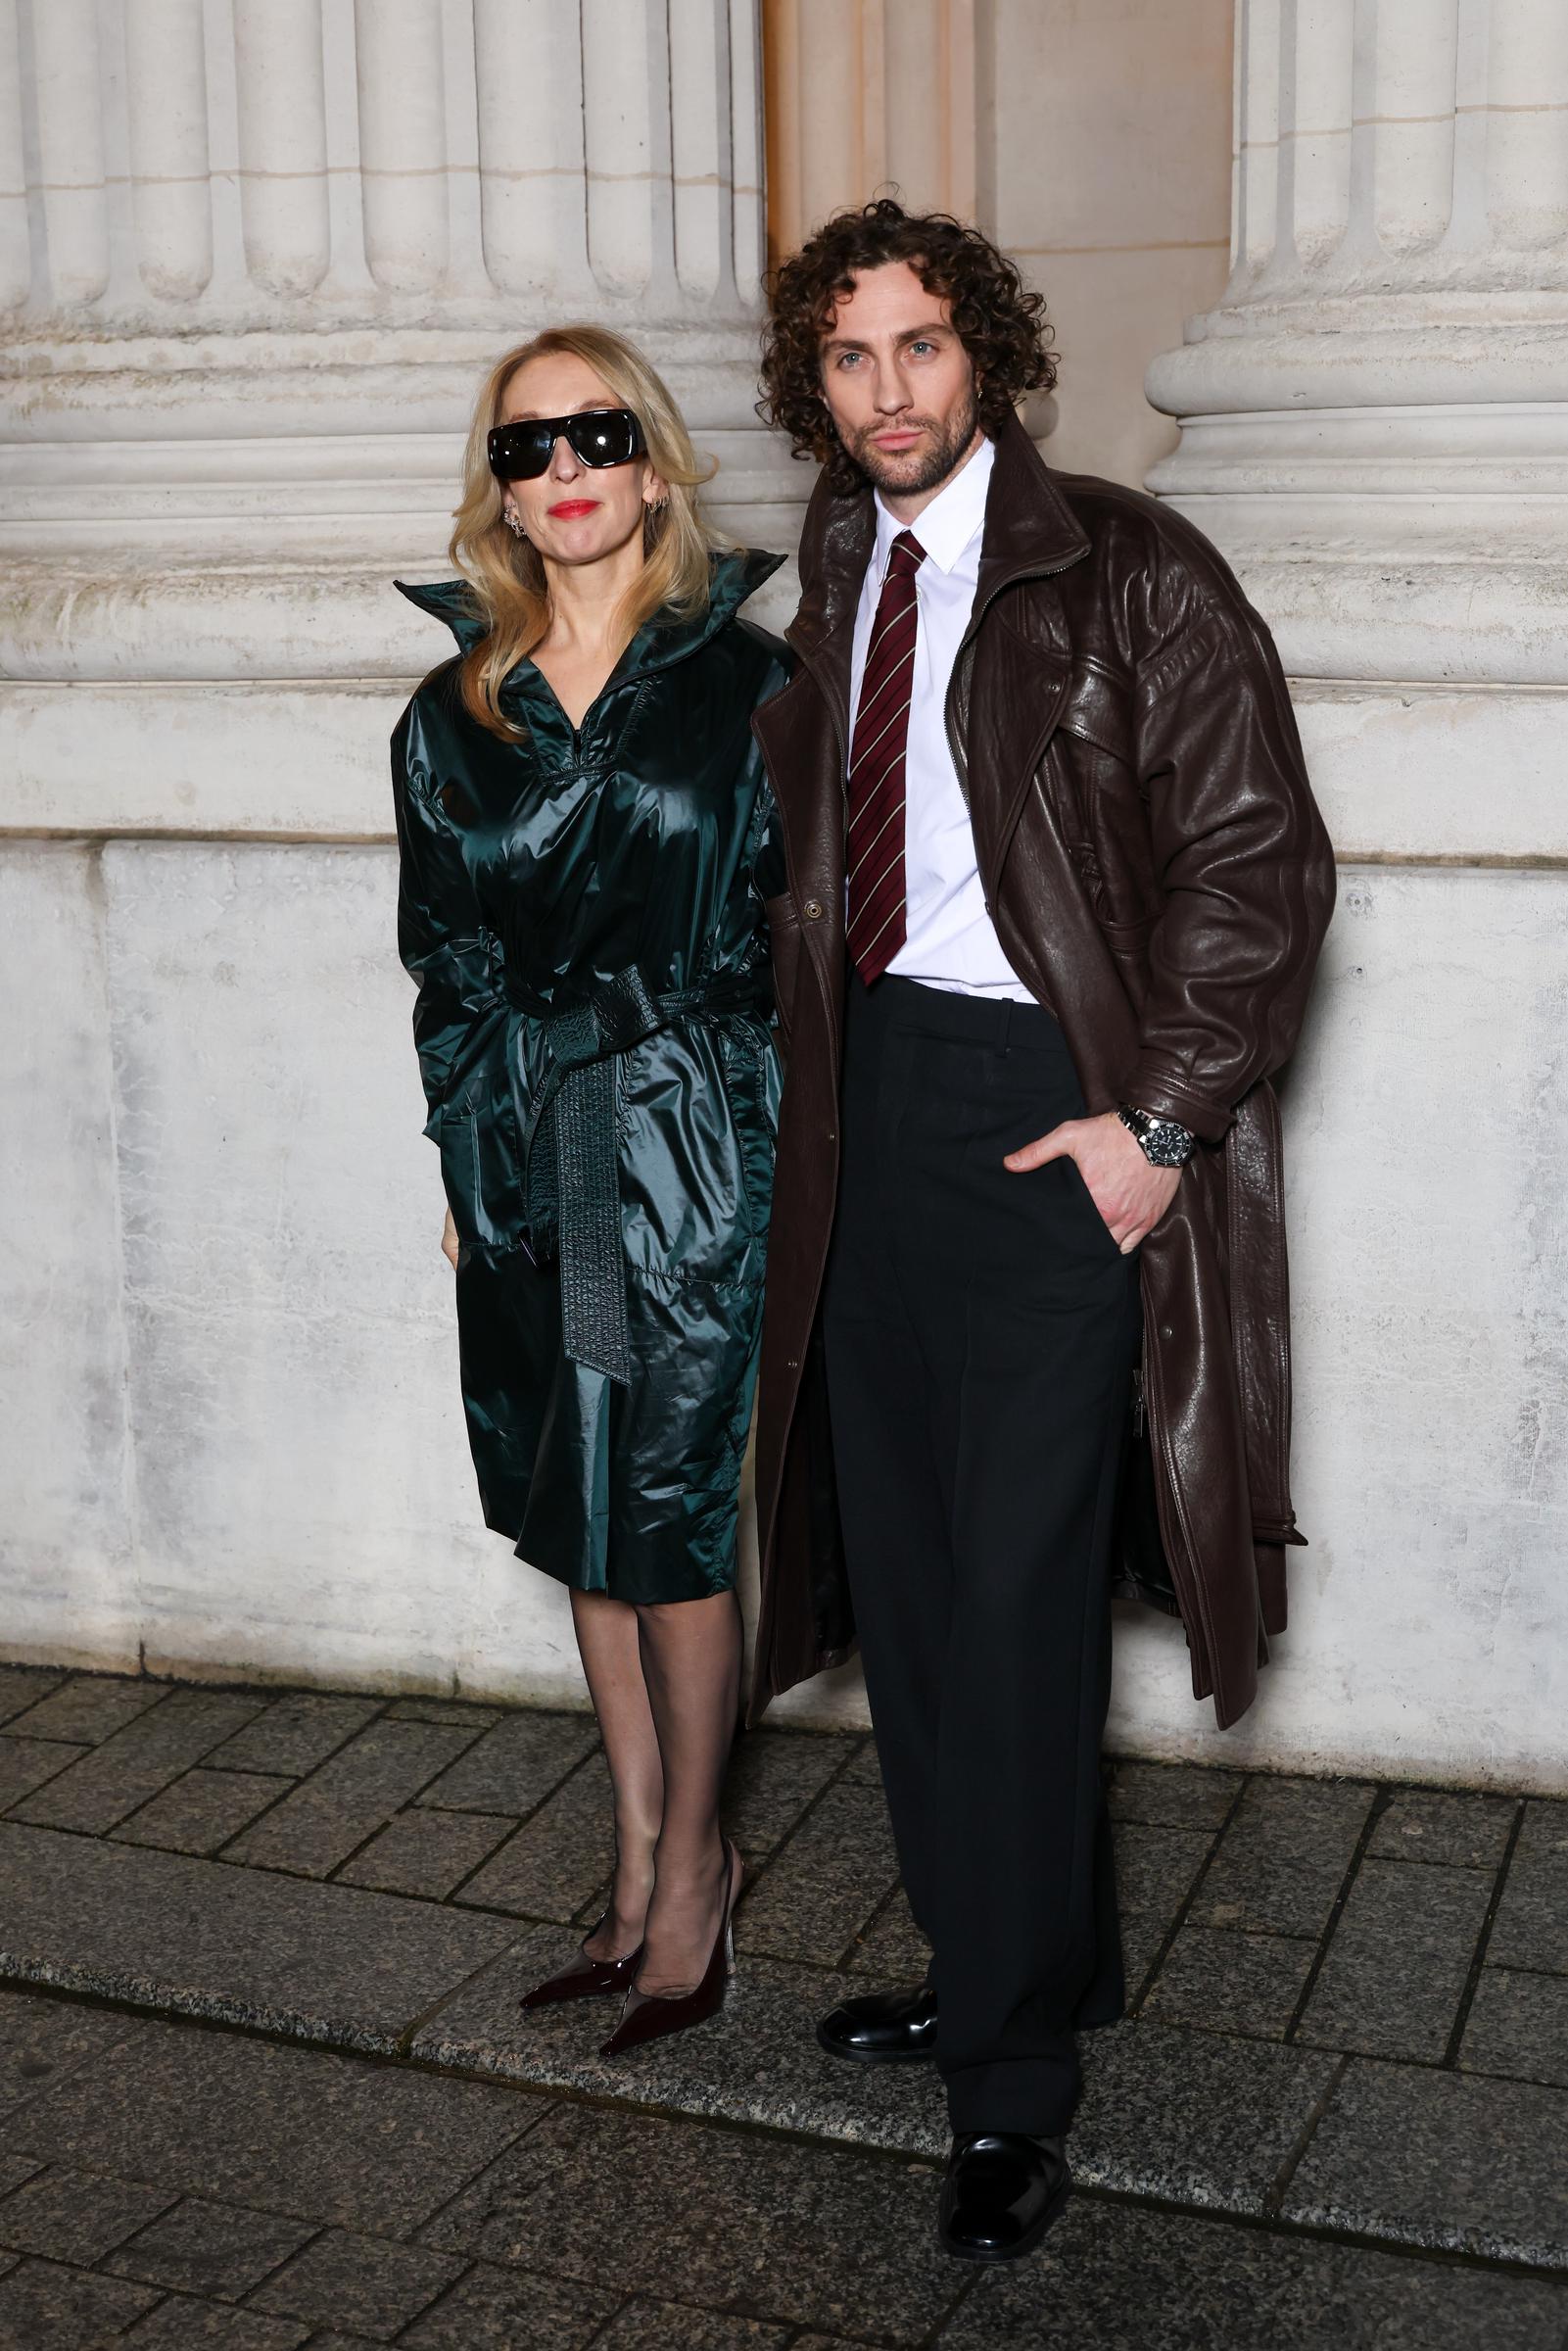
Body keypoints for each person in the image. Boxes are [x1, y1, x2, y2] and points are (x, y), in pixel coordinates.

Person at [748, 200, 1335, 2260]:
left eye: (920, 348)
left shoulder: (1129, 565)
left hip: (1053, 1118)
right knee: (911, 1588)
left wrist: (1158, 1123)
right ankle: (1021, 1961)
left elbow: (1257, 869)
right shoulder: (829, 571)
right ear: (810, 383)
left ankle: (1010, 2088)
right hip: (869, 1110)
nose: (887, 391)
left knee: (1008, 1600)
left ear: (984, 354)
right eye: (847, 356)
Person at [391, 324, 788, 2055]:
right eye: (524, 449)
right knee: (584, 1501)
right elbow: (444, 958)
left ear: (650, 460)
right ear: (498, 488)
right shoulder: (451, 712)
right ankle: (628, 1855)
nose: (562, 474)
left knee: (678, 1510)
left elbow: (809, 929)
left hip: (698, 1123)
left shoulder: (749, 678)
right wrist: (479, 1153)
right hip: (536, 1136)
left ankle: (698, 1870)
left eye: (593, 436)